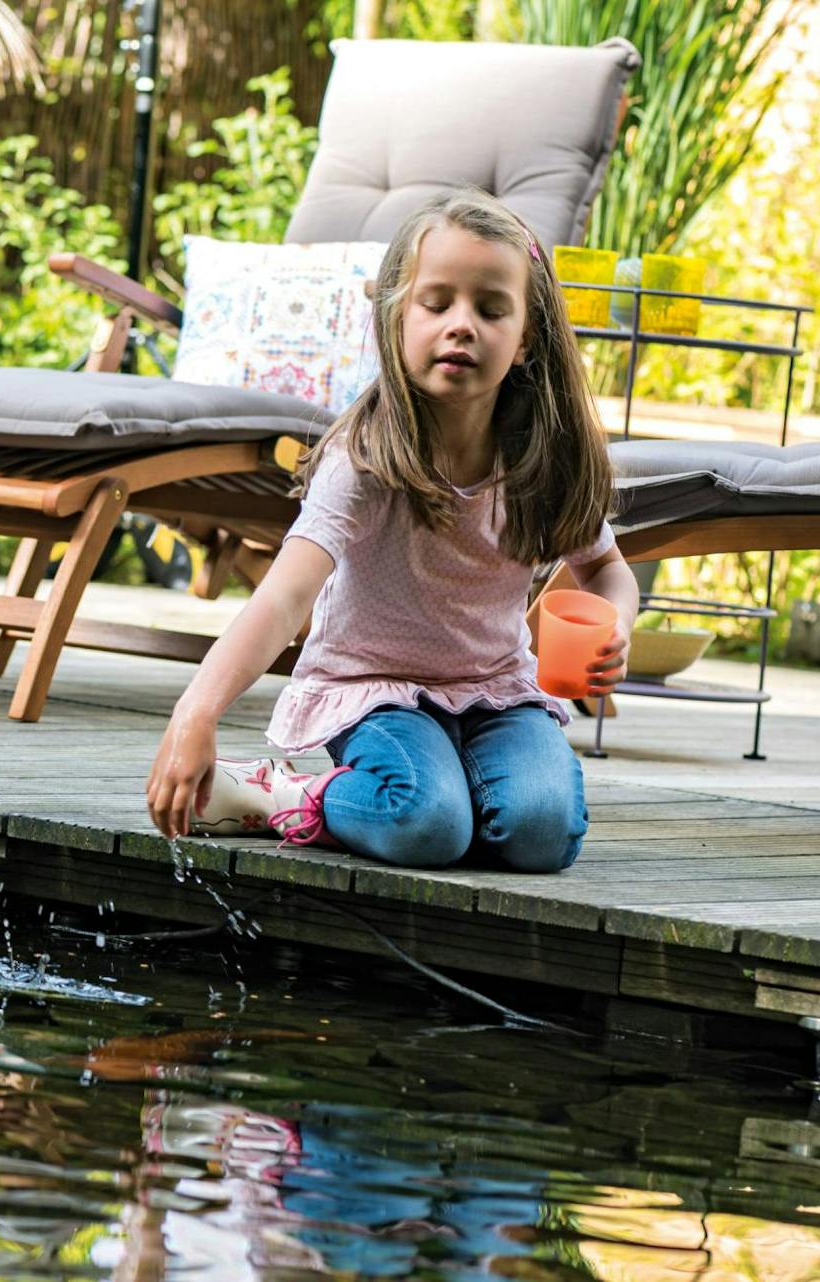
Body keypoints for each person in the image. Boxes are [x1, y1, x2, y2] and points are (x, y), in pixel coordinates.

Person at [145, 188, 638, 871]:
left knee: (542, 834)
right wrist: (195, 712)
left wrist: (617, 625)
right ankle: (294, 794)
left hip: (495, 692)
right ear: (397, 317)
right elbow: (284, 597)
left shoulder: (541, 460)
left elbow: (607, 569)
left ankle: (455, 782)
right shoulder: (369, 458)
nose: (461, 325)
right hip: (373, 691)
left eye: (491, 309)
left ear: (526, 338)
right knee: (425, 826)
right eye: (437, 304)